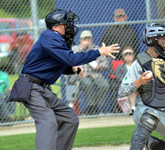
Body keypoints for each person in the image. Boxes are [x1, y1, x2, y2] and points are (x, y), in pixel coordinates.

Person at [8, 9, 119, 150]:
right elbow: (70, 58)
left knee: (70, 118)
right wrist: (98, 52)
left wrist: (71, 69)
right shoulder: (49, 36)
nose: (69, 27)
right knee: (48, 121)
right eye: (66, 24)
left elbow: (59, 63)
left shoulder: (57, 40)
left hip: (42, 88)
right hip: (30, 87)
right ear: (55, 26)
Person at [100, 8, 138, 113]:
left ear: (126, 17)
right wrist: (109, 58)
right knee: (115, 86)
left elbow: (136, 48)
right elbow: (103, 47)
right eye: (118, 16)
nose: (120, 18)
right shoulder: (109, 30)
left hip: (129, 62)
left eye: (122, 16)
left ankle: (132, 107)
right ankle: (116, 111)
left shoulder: (131, 31)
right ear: (114, 18)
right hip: (115, 62)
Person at [72, 30, 109, 115]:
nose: (87, 40)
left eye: (89, 38)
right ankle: (91, 107)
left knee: (104, 85)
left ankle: (98, 106)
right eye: (85, 39)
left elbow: (105, 64)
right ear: (81, 40)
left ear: (92, 39)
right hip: (81, 75)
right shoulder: (75, 49)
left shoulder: (96, 49)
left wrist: (99, 66)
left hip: (95, 74)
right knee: (88, 84)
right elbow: (71, 62)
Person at [115, 47, 137, 115]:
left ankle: (132, 108)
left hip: (137, 84)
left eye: (130, 54)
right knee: (130, 87)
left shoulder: (137, 65)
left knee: (132, 87)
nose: (128, 56)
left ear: (133, 56)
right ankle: (133, 108)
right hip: (125, 85)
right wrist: (129, 82)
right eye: (126, 54)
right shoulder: (120, 67)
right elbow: (119, 77)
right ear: (123, 57)